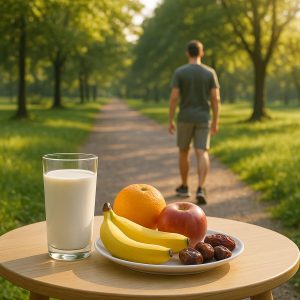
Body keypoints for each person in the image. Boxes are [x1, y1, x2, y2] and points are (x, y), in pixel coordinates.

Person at [168, 40, 220, 205]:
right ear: (201, 53)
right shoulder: (209, 72)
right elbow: (216, 99)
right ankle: (201, 188)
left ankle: (184, 187)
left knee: (184, 152)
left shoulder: (180, 72)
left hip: (184, 118)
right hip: (203, 118)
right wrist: (215, 121)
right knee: (201, 152)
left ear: (187, 53)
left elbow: (174, 97)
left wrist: (170, 119)